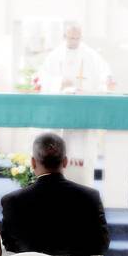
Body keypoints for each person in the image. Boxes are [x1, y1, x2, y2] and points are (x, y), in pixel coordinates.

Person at [0, 132, 110, 256]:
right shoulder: (89, 197)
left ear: (33, 163)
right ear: (65, 161)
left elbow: (10, 245)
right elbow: (100, 245)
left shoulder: (13, 202)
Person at [34, 22, 114, 186]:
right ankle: (55, 183)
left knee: (81, 148)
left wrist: (105, 80)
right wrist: (59, 82)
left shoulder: (90, 55)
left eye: (77, 38)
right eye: (71, 38)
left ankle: (82, 184)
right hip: (59, 109)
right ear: (65, 37)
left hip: (83, 109)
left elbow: (104, 73)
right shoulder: (55, 55)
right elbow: (43, 77)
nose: (74, 41)